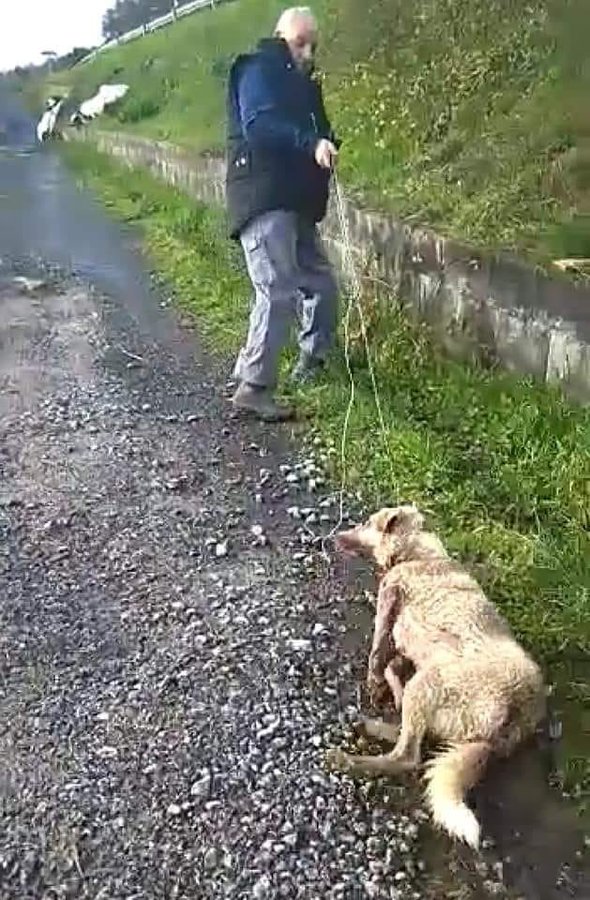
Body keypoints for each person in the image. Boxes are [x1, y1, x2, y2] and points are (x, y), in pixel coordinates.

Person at [225, 6, 339, 421]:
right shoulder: (258, 70)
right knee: (276, 290)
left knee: (322, 284)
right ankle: (253, 386)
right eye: (300, 43)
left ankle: (314, 362)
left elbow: (317, 129)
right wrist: (310, 144)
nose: (308, 53)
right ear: (280, 37)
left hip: (297, 203)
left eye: (313, 45)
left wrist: (326, 142)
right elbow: (259, 124)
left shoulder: (305, 85)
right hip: (264, 195)